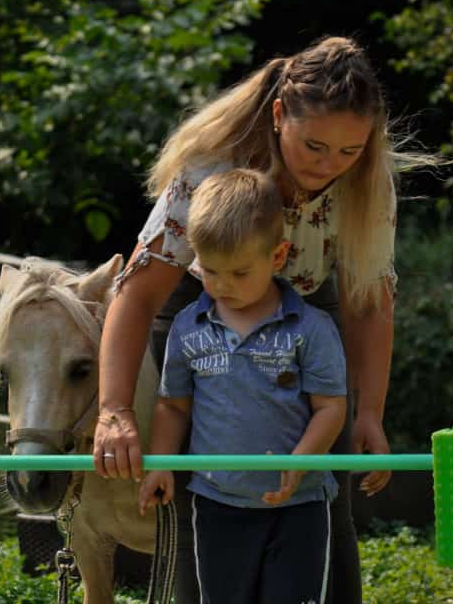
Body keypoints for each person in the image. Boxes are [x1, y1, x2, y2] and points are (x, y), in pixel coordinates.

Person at [94, 35, 430, 602]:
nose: (329, 165)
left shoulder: (368, 183)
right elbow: (137, 294)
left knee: (324, 483)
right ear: (279, 116)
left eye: (348, 151)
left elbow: (369, 303)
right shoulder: (211, 168)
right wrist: (114, 411)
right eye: (314, 145)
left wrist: (369, 412)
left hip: (307, 303)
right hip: (203, 298)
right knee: (197, 483)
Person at [138, 168, 348, 603]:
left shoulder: (311, 328)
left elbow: (331, 407)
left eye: (239, 272)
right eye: (211, 271)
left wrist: (302, 460)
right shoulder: (186, 328)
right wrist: (160, 464)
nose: (223, 286)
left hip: (299, 506)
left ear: (278, 256)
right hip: (217, 504)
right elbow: (173, 406)